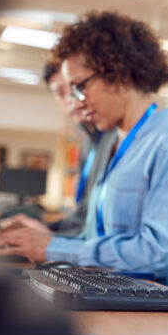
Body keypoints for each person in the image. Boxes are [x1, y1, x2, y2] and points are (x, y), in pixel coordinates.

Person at [0, 11, 168, 300]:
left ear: (119, 72)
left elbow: (163, 254)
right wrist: (35, 239)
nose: (77, 101)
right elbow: (99, 241)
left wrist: (51, 247)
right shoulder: (114, 143)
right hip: (116, 295)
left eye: (81, 86)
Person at [34, 60, 115, 235]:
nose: (73, 100)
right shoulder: (88, 141)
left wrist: (49, 239)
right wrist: (44, 230)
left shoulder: (115, 139)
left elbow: (95, 228)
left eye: (77, 89)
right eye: (62, 93)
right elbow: (82, 216)